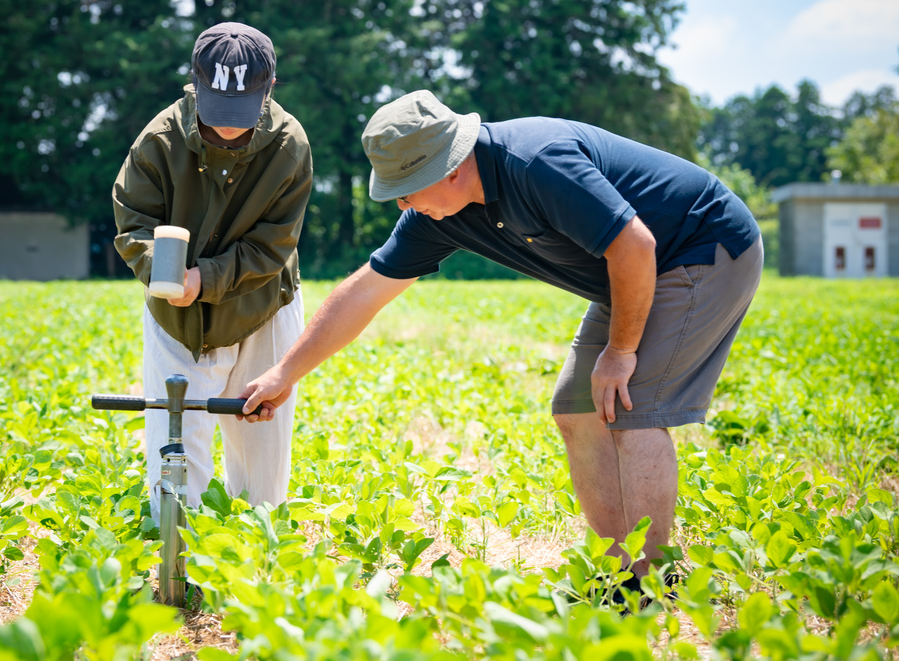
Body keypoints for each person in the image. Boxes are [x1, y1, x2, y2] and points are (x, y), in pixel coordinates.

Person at [240, 90, 761, 580]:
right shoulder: (435, 214)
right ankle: (618, 576)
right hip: (627, 271)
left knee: (632, 406)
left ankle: (653, 583)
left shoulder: (537, 163)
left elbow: (635, 246)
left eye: (406, 189)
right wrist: (284, 373)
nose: (401, 205)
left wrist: (621, 351)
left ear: (449, 168)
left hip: (700, 247)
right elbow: (364, 292)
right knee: (578, 408)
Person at [113, 22, 312, 520]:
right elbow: (133, 221)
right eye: (217, 108)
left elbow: (274, 243)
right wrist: (164, 274)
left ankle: (252, 550)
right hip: (178, 315)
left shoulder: (289, 145)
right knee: (175, 446)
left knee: (263, 460)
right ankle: (176, 547)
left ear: (269, 87)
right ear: (195, 84)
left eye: (241, 110)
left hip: (262, 305)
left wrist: (208, 278)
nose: (227, 126)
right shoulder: (159, 140)